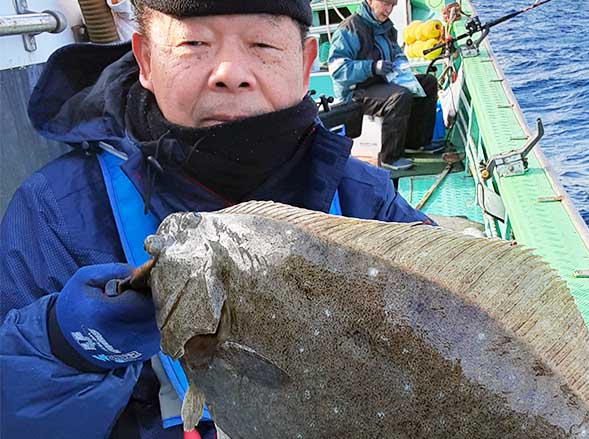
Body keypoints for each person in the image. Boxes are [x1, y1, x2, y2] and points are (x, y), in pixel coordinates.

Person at [0, 1, 433, 437]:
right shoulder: (55, 214)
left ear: (305, 67)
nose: (230, 71)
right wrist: (62, 345)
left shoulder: (367, 202)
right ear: (146, 60)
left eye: (262, 43)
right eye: (193, 43)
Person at [328, 0, 443, 171]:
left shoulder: (387, 27)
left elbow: (396, 51)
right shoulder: (350, 28)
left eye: (392, 5)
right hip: (357, 90)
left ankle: (416, 143)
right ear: (370, 1)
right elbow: (337, 69)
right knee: (399, 96)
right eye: (385, 4)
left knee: (428, 82)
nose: (388, 10)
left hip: (382, 82)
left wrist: (401, 63)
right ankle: (390, 156)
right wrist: (372, 67)